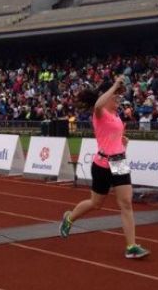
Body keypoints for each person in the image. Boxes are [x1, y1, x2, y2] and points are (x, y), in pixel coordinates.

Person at [59, 76, 150, 259]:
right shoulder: (99, 113)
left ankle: (131, 246)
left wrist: (124, 144)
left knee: (126, 203)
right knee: (96, 203)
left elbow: (112, 140)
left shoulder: (116, 116)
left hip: (119, 162)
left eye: (119, 98)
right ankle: (70, 218)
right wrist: (114, 85)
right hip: (102, 164)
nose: (118, 100)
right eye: (115, 97)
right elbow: (99, 105)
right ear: (107, 96)